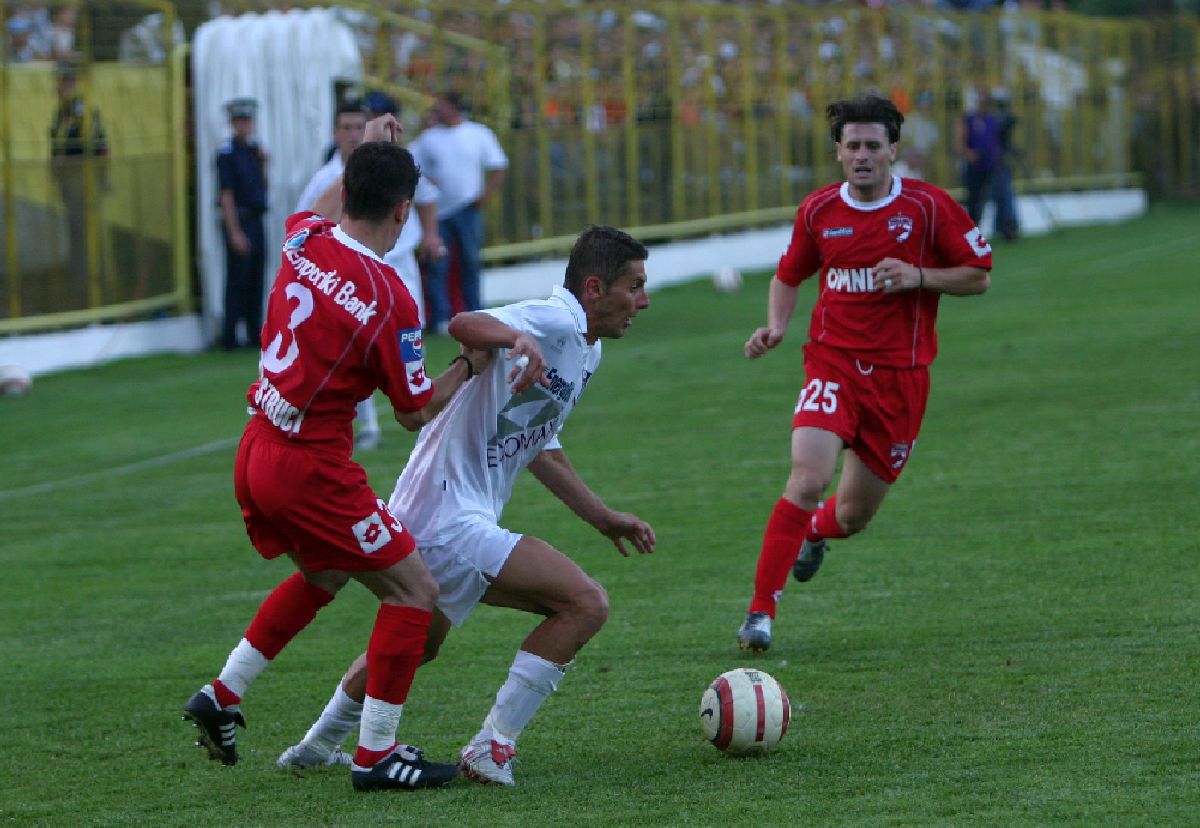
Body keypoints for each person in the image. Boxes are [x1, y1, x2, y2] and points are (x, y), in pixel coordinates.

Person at [182, 114, 500, 793]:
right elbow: (414, 411)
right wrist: (470, 366)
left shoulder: (304, 239)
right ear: (405, 210)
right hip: (310, 468)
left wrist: (364, 152)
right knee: (416, 590)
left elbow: (318, 205)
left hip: (257, 446)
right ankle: (376, 754)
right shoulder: (390, 295)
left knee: (323, 573)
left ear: (346, 185)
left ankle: (223, 693)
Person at [276, 225, 656, 787]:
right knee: (584, 604)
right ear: (595, 288)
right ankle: (491, 747)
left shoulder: (588, 350)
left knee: (415, 645)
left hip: (433, 513)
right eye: (635, 287)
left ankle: (315, 745)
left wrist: (602, 517)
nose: (643, 301)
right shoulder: (555, 320)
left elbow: (537, 443)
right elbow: (461, 325)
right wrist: (515, 338)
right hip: (449, 516)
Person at [735, 94, 992, 653]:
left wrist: (919, 275)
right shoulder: (819, 210)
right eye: (852, 145)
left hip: (901, 379)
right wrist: (776, 326)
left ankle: (815, 534)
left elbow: (978, 275)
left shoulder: (928, 207)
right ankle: (760, 612)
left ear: (893, 150)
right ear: (838, 153)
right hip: (833, 364)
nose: (863, 155)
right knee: (806, 479)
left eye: (874, 145)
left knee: (851, 515)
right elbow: (789, 275)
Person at [407, 91, 508, 334]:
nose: (437, 110)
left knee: (470, 261)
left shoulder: (477, 133)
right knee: (438, 264)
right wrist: (427, 181)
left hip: (468, 208)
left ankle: (475, 312)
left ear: (452, 107)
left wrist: (485, 195)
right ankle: (441, 317)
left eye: (441, 105)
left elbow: (499, 165)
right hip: (438, 212)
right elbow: (410, 162)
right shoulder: (429, 138)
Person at [49, 60, 108, 306]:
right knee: (77, 234)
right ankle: (80, 284)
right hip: (69, 182)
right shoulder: (62, 112)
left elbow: (100, 147)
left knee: (85, 234)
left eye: (65, 82)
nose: (61, 87)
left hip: (82, 181)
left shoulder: (81, 112)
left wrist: (102, 180)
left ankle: (90, 286)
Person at [216, 98, 268, 350]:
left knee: (256, 277)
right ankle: (230, 334)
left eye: (247, 120)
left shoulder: (254, 152)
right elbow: (226, 194)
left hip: (257, 219)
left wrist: (264, 165)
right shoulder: (227, 154)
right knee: (238, 278)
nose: (244, 125)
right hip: (241, 218)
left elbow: (262, 188)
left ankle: (252, 330)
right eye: (239, 121)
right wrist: (234, 231)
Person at [956, 89, 1019, 242]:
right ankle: (972, 233)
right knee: (975, 201)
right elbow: (960, 141)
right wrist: (968, 153)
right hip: (976, 165)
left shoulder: (992, 119)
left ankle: (1006, 230)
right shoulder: (969, 119)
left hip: (993, 164)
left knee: (1002, 195)